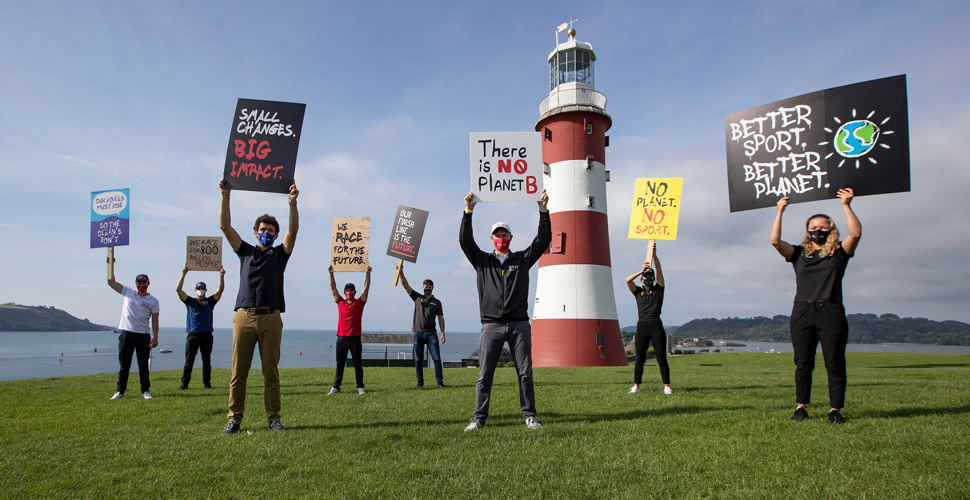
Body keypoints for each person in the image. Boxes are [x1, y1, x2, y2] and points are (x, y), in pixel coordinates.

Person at [460, 189, 550, 431]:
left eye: (505, 234)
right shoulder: (482, 261)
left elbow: (543, 240)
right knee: (485, 374)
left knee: (525, 373)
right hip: (490, 325)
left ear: (511, 237)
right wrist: (468, 211)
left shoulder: (521, 260)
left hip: (519, 324)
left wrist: (543, 210)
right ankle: (478, 418)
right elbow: (465, 241)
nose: (501, 238)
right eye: (497, 235)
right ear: (491, 239)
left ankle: (529, 416)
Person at [771, 188, 861, 425]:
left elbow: (857, 234)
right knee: (803, 363)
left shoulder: (840, 252)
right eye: (813, 227)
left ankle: (835, 410)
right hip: (802, 310)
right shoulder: (799, 253)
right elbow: (774, 241)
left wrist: (846, 205)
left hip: (830, 310)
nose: (817, 230)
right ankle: (801, 407)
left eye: (822, 227)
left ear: (831, 229)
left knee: (834, 361)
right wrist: (780, 211)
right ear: (807, 230)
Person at [218, 179, 299, 434]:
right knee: (238, 372)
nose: (267, 233)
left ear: (275, 234)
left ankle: (274, 418)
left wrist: (293, 204)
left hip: (271, 318)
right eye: (263, 229)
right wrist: (225, 195)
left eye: (271, 230)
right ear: (256, 232)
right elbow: (224, 225)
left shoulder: (280, 255)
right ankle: (234, 419)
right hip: (243, 317)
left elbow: (293, 232)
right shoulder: (244, 251)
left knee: (270, 372)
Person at [106, 261, 159, 400]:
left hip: (143, 335)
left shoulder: (153, 301)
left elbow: (155, 320)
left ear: (148, 284)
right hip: (126, 333)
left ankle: (145, 391)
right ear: (136, 284)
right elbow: (111, 282)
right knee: (124, 364)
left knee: (143, 365)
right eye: (139, 283)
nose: (141, 286)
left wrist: (155, 337)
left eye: (144, 283)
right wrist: (110, 264)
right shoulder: (128, 292)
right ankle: (120, 391)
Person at [624, 249, 672, 395]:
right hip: (642, 326)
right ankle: (636, 386)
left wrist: (655, 256)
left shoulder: (659, 290)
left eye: (650, 276)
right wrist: (641, 270)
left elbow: (659, 270)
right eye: (646, 277)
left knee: (661, 359)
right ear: (642, 280)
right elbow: (628, 280)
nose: (648, 278)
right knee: (639, 359)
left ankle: (666, 386)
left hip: (656, 326)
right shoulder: (638, 292)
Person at [397, 262, 446, 388]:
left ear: (433, 287)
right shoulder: (417, 298)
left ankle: (439, 382)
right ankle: (420, 382)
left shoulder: (437, 302)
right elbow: (405, 285)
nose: (427, 287)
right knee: (418, 359)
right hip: (417, 333)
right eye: (425, 285)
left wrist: (443, 333)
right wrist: (400, 272)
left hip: (432, 335)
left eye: (429, 286)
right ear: (423, 287)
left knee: (436, 359)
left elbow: (441, 318)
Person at [176, 265, 225, 390]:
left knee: (206, 361)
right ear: (195, 290)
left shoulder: (210, 301)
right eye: (198, 288)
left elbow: (219, 291)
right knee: (189, 361)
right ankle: (184, 384)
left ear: (206, 290)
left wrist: (221, 276)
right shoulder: (190, 301)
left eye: (202, 288)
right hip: (193, 334)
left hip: (206, 334)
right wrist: (183, 274)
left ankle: (207, 384)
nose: (200, 290)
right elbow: (178, 290)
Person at [327, 264, 372, 395]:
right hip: (341, 338)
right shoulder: (340, 302)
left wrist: (368, 273)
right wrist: (331, 273)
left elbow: (366, 288)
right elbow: (333, 288)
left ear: (355, 292)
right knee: (340, 365)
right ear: (345, 292)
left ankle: (360, 387)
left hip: (355, 338)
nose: (349, 293)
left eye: (352, 290)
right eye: (347, 290)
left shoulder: (360, 303)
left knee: (357, 364)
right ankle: (336, 386)